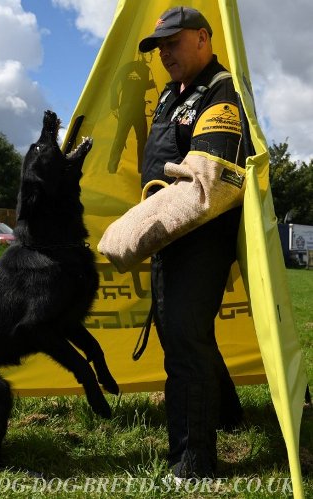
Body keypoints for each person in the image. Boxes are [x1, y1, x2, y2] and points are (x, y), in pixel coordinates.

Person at [98, 6, 247, 479]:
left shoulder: (221, 93)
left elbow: (207, 185)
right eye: (159, 46)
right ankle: (227, 413)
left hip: (200, 236)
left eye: (173, 42)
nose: (164, 53)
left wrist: (136, 227)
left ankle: (193, 459)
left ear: (204, 38)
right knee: (182, 332)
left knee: (184, 339)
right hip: (168, 235)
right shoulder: (169, 94)